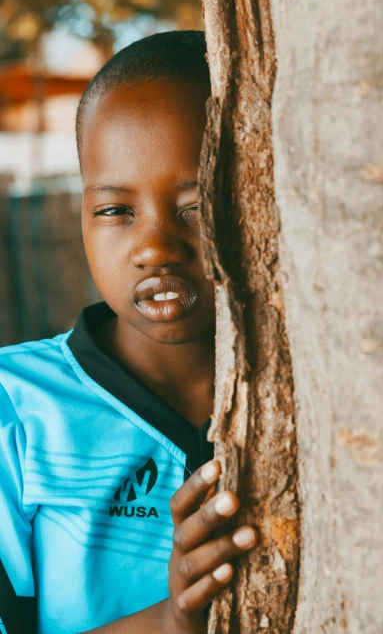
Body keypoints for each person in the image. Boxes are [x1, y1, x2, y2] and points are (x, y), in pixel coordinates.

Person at [0, 31, 257, 634]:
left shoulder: (322, 395)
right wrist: (170, 622)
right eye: (115, 210)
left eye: (197, 205)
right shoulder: (17, 410)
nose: (154, 247)